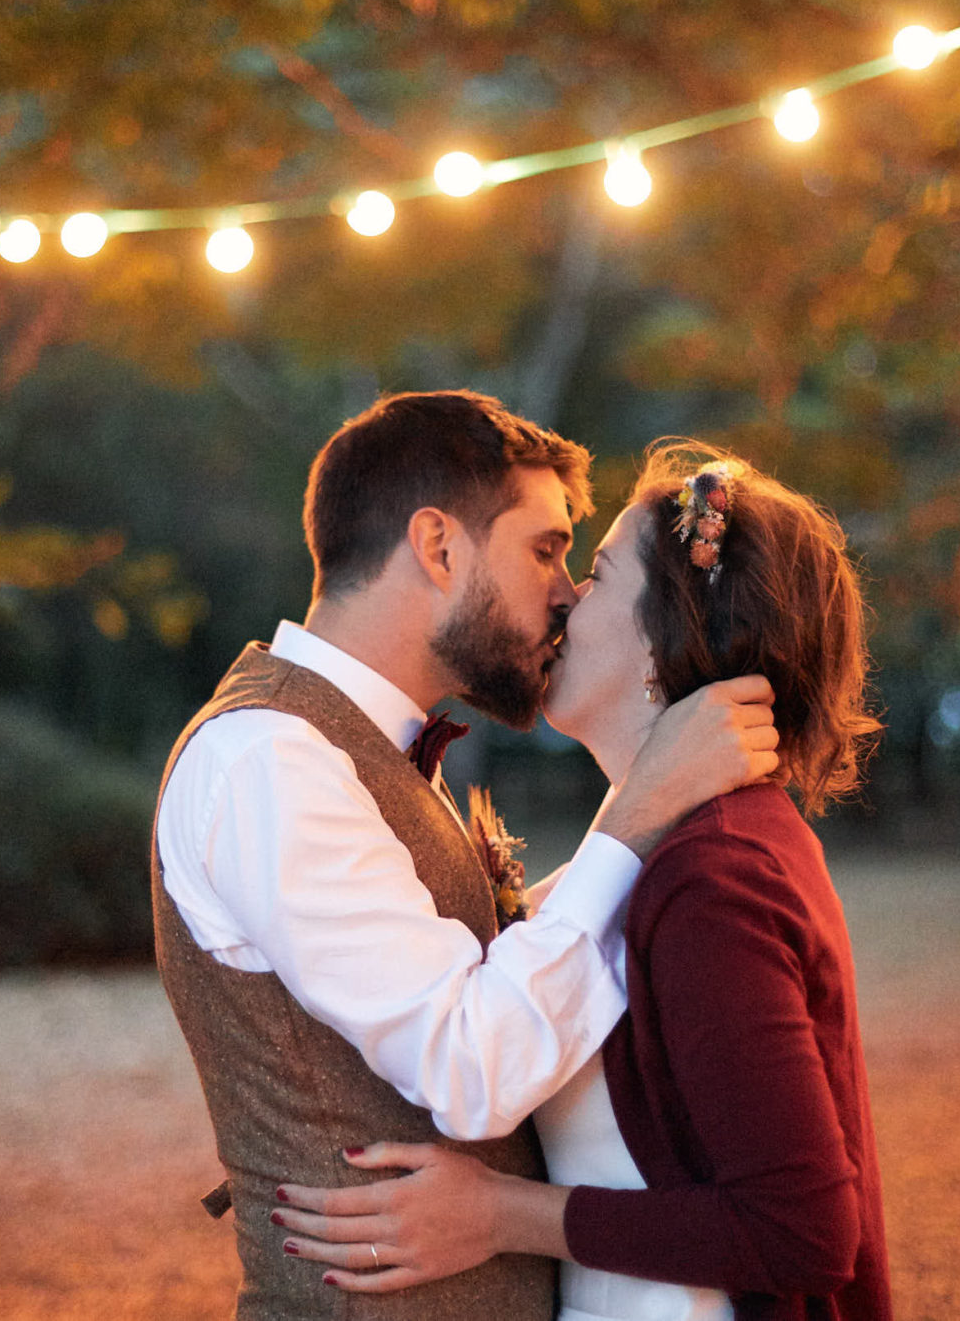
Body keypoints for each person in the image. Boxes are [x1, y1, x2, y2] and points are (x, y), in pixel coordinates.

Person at [152, 397, 783, 1321]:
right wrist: (643, 805)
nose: (568, 592)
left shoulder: (359, 750)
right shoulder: (267, 760)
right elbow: (471, 1068)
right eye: (546, 549)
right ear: (439, 548)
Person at [271, 441, 891, 1321]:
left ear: (662, 638)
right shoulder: (659, 851)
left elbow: (803, 1230)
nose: (563, 598)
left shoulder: (716, 875)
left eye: (595, 575)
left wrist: (500, 1217)